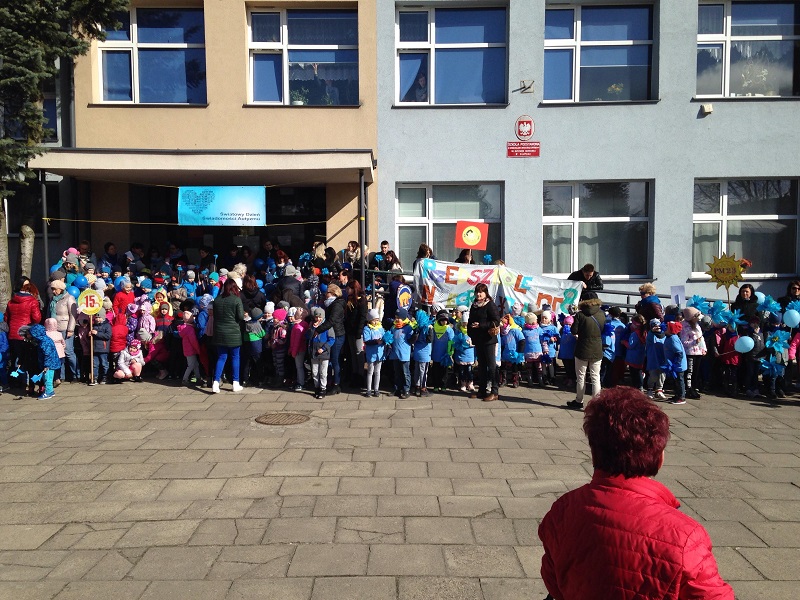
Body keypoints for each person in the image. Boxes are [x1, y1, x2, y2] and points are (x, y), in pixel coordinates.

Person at [539, 387, 734, 600]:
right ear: (659, 459)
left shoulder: (562, 510)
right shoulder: (685, 536)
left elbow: (554, 582)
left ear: (594, 454)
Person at [567, 297, 605, 410]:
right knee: (595, 377)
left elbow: (574, 330)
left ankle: (579, 400)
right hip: (597, 348)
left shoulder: (580, 315)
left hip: (582, 348)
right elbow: (603, 329)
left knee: (581, 377)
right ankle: (596, 403)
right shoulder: (601, 314)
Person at [468, 282, 501, 401]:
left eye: (481, 292)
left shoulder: (490, 304)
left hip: (489, 339)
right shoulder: (474, 305)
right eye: (477, 292)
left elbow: (496, 321)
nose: (479, 294)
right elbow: (470, 319)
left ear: (486, 293)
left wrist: (481, 325)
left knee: (491, 366)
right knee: (481, 366)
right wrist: (470, 331)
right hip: (478, 339)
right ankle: (482, 390)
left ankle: (494, 391)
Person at [211, 278, 245, 393]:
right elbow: (240, 316)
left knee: (221, 357)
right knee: (235, 357)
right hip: (233, 333)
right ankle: (236, 383)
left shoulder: (217, 300)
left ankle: (216, 382)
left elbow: (215, 316)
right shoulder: (236, 300)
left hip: (219, 332)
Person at [314, 283, 346, 394]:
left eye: (327, 292)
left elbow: (331, 321)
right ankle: (331, 382)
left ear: (332, 293)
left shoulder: (336, 305)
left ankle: (336, 384)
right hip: (334, 333)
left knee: (335, 360)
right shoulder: (332, 304)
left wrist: (318, 330)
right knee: (333, 360)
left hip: (337, 334)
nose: (325, 294)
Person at [19, 324, 61, 400]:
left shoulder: (45, 342)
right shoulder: (42, 340)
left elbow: (48, 354)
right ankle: (49, 391)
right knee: (46, 378)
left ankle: (49, 392)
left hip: (49, 364)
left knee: (47, 379)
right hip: (48, 363)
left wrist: (46, 365)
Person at [308, 307, 334, 399]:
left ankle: (323, 388)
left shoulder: (327, 327)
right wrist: (312, 329)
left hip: (324, 353)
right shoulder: (312, 326)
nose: (318, 319)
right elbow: (308, 337)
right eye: (316, 317)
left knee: (323, 372)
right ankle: (317, 387)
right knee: (315, 372)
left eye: (320, 317)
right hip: (314, 352)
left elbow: (332, 339)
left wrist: (323, 348)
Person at [362, 308, 385, 397]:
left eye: (377, 320)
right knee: (370, 372)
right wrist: (376, 341)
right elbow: (367, 341)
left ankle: (376, 389)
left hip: (379, 353)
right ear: (369, 320)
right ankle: (368, 389)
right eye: (374, 320)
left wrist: (386, 340)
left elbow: (384, 337)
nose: (376, 322)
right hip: (371, 354)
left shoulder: (380, 328)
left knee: (377, 372)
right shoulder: (367, 329)